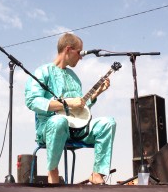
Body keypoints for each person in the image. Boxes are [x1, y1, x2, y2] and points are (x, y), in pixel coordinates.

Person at [25, 33, 116, 184]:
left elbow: (79, 108)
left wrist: (97, 93)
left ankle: (97, 173)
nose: (81, 57)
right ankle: (53, 170)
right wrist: (66, 103)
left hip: (77, 128)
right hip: (50, 128)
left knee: (108, 123)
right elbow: (32, 101)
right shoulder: (43, 72)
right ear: (68, 49)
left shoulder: (74, 77)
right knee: (59, 121)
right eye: (79, 52)